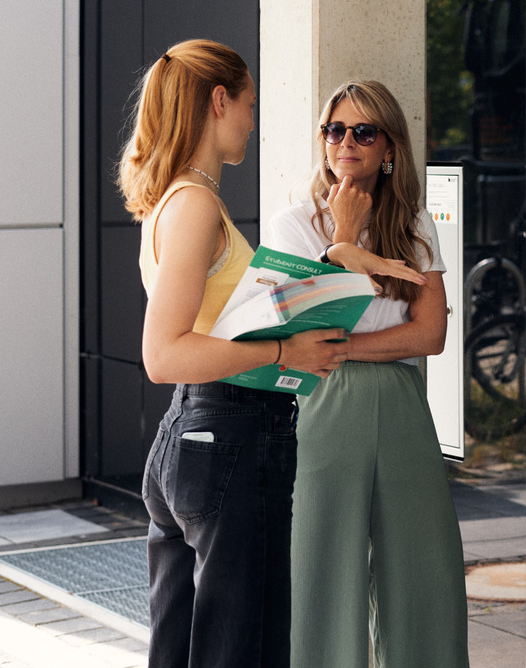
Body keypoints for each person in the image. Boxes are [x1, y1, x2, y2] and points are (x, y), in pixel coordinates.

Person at [117, 39, 351, 668]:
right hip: (229, 440)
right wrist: (286, 350)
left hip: (195, 439)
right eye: (250, 103)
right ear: (218, 101)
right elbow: (163, 353)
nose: (253, 119)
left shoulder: (173, 200)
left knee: (186, 648)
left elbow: (214, 320)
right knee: (243, 650)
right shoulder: (194, 206)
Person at [267, 80, 469, 668]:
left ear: (390, 148)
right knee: (322, 569)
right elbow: (310, 331)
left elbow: (429, 335)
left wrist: (348, 346)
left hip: (403, 403)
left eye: (363, 131)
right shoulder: (292, 225)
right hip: (325, 407)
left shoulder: (415, 223)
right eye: (335, 130)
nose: (346, 142)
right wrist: (345, 240)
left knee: (425, 569)